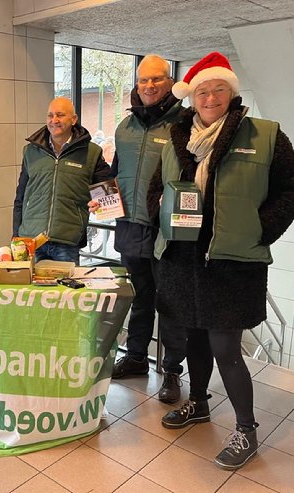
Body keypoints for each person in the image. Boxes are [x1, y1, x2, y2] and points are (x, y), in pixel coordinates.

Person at [147, 52, 294, 470]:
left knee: (226, 348)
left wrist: (259, 229)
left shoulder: (265, 134)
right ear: (192, 97)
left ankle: (246, 431)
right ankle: (198, 403)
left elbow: (292, 191)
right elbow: (154, 190)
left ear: (231, 93)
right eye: (202, 91)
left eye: (218, 89)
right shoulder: (176, 136)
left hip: (231, 263)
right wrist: (158, 215)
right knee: (193, 338)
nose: (210, 97)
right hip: (182, 259)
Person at [93, 55, 187, 404]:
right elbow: (115, 174)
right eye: (143, 80)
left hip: (167, 231)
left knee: (171, 302)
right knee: (141, 298)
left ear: (169, 81)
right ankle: (135, 359)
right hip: (130, 227)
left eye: (156, 80)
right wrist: (102, 197)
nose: (148, 86)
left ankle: (173, 371)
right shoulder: (125, 127)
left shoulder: (184, 123)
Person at [13, 97, 110, 263]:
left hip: (67, 242)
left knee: (65, 289)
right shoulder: (31, 152)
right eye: (50, 115)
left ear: (73, 119)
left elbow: (108, 193)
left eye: (60, 115)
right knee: (32, 290)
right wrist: (16, 236)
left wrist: (100, 203)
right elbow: (20, 198)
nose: (54, 120)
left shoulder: (91, 153)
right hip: (31, 241)